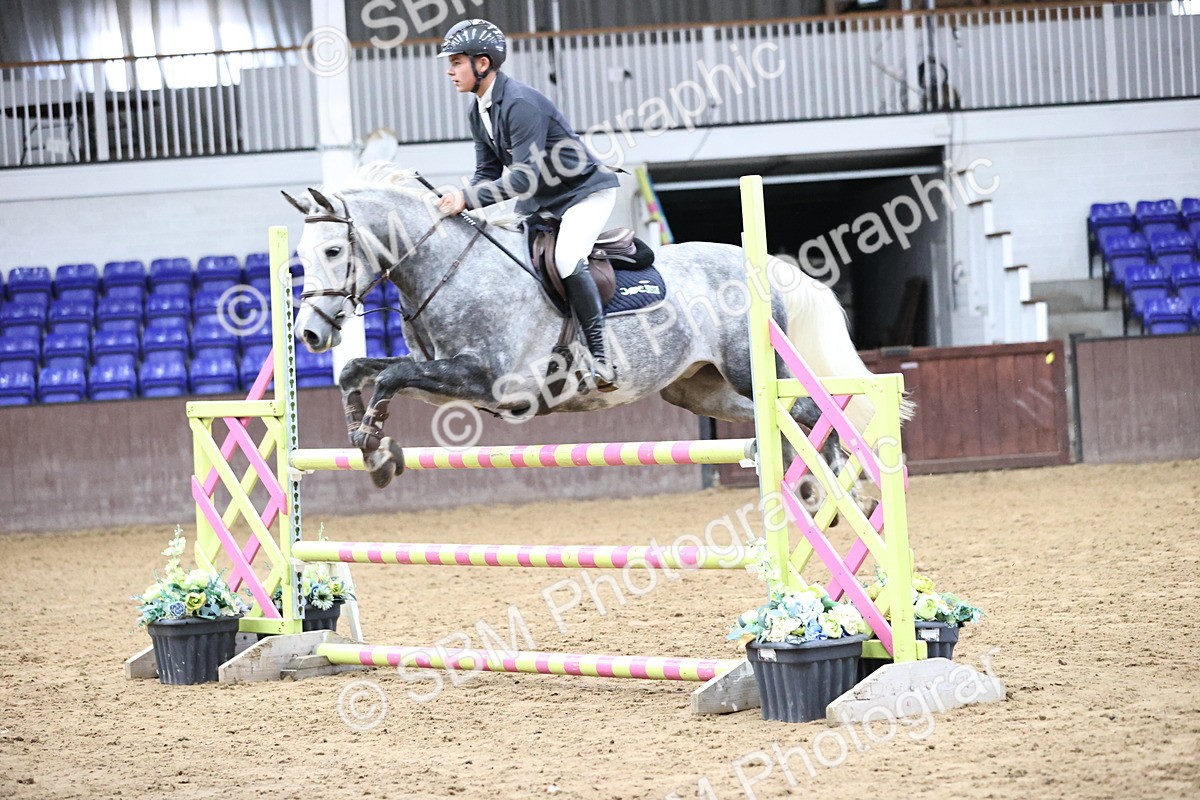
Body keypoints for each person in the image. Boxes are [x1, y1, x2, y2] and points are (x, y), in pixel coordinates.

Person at [434, 18, 621, 392]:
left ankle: (601, 357)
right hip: (543, 203)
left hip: (584, 193)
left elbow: (524, 179)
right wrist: (455, 200)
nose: (450, 70)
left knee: (567, 258)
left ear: (482, 63)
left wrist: (468, 199)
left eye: (456, 62)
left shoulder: (519, 103)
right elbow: (486, 172)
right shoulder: (478, 111)